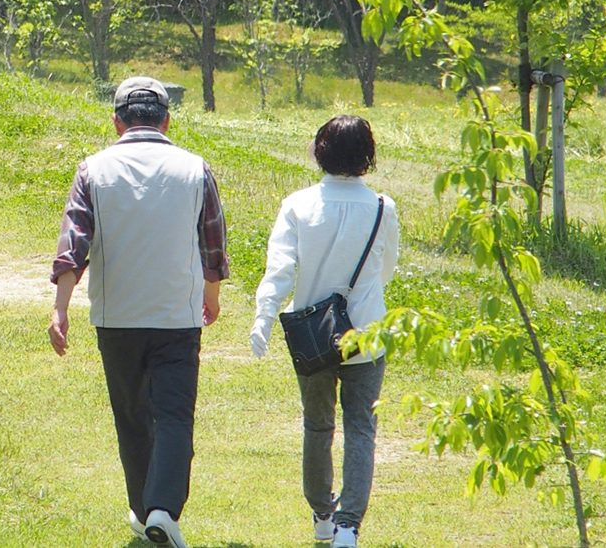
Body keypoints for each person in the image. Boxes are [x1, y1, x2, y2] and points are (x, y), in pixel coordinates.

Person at [49, 75, 229, 548]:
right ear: (168, 121)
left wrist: (60, 308)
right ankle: (162, 509)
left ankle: (145, 509)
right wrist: (211, 294)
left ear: (116, 122)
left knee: (131, 415)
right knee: (173, 415)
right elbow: (212, 241)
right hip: (177, 315)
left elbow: (75, 244)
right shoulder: (195, 169)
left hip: (117, 316)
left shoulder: (93, 170)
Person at [249, 115, 399, 548]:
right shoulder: (381, 207)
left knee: (317, 426)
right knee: (360, 428)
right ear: (368, 155)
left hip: (313, 335)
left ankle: (322, 514)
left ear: (320, 151)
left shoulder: (298, 204)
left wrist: (263, 316)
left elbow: (279, 270)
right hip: (367, 331)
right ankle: (349, 525)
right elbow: (385, 270)